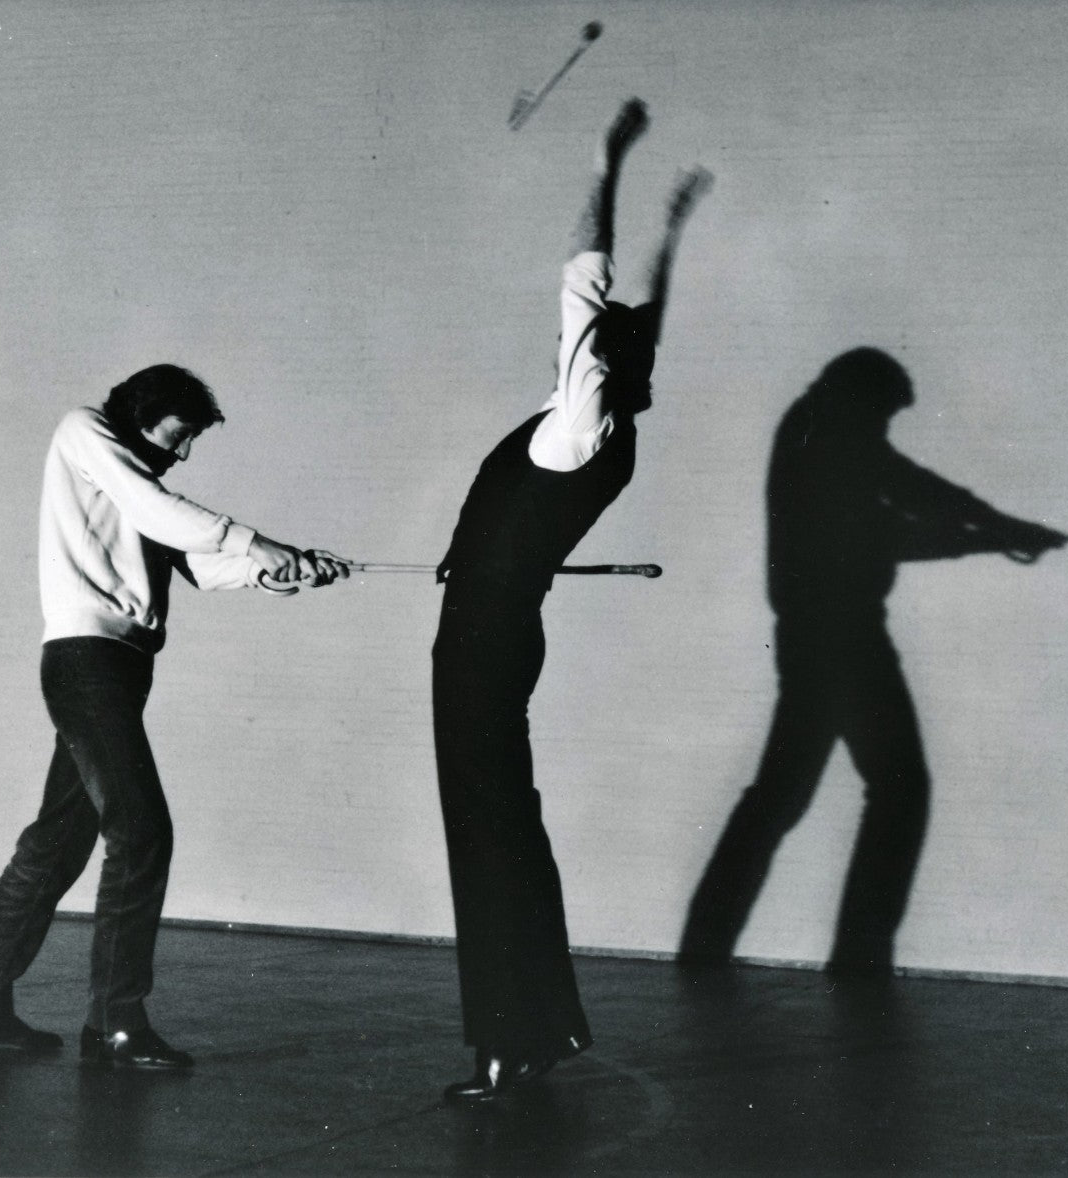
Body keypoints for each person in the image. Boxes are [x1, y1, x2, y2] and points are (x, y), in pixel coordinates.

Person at [0, 364, 348, 1069]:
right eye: (180, 435)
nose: (184, 452)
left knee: (57, 843)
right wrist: (255, 543)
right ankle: (115, 1025)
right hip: (85, 662)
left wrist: (281, 568)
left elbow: (190, 558)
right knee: (141, 831)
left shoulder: (135, 483)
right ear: (144, 413)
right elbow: (165, 515)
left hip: (119, 668)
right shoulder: (86, 432)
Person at [431, 98, 709, 1102]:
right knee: (508, 820)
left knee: (485, 827)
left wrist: (607, 159)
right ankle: (530, 1032)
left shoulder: (573, 422)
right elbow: (636, 316)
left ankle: (509, 1040)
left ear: (599, 361)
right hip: (504, 625)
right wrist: (671, 235)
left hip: (480, 633)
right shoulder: (610, 427)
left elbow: (584, 279)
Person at [680, 347, 1063, 975]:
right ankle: (857, 956)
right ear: (861, 402)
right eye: (883, 417)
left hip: (822, 635)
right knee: (889, 788)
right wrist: (993, 534)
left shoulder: (819, 427)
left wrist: (997, 525)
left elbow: (907, 488)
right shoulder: (827, 436)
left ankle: (710, 950)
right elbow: (886, 526)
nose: (884, 431)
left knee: (787, 795)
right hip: (844, 638)